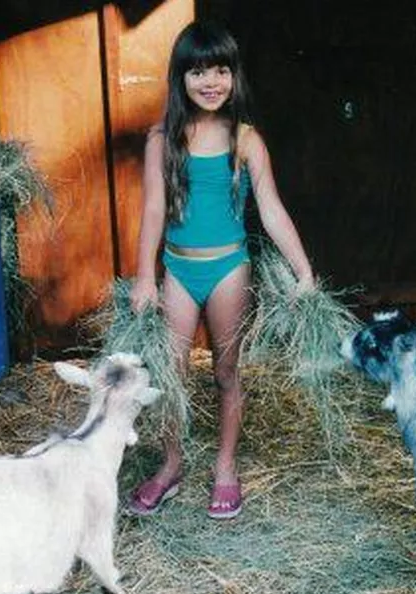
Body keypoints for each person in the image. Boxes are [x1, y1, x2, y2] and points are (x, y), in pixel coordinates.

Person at [128, 20, 315, 520]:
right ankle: (171, 465)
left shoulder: (246, 139)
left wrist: (304, 272)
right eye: (198, 71)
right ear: (180, 77)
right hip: (178, 270)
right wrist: (145, 275)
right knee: (170, 373)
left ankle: (226, 467)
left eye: (221, 70)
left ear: (234, 76)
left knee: (227, 371)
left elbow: (271, 208)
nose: (210, 81)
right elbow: (151, 211)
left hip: (229, 268)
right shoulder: (161, 138)